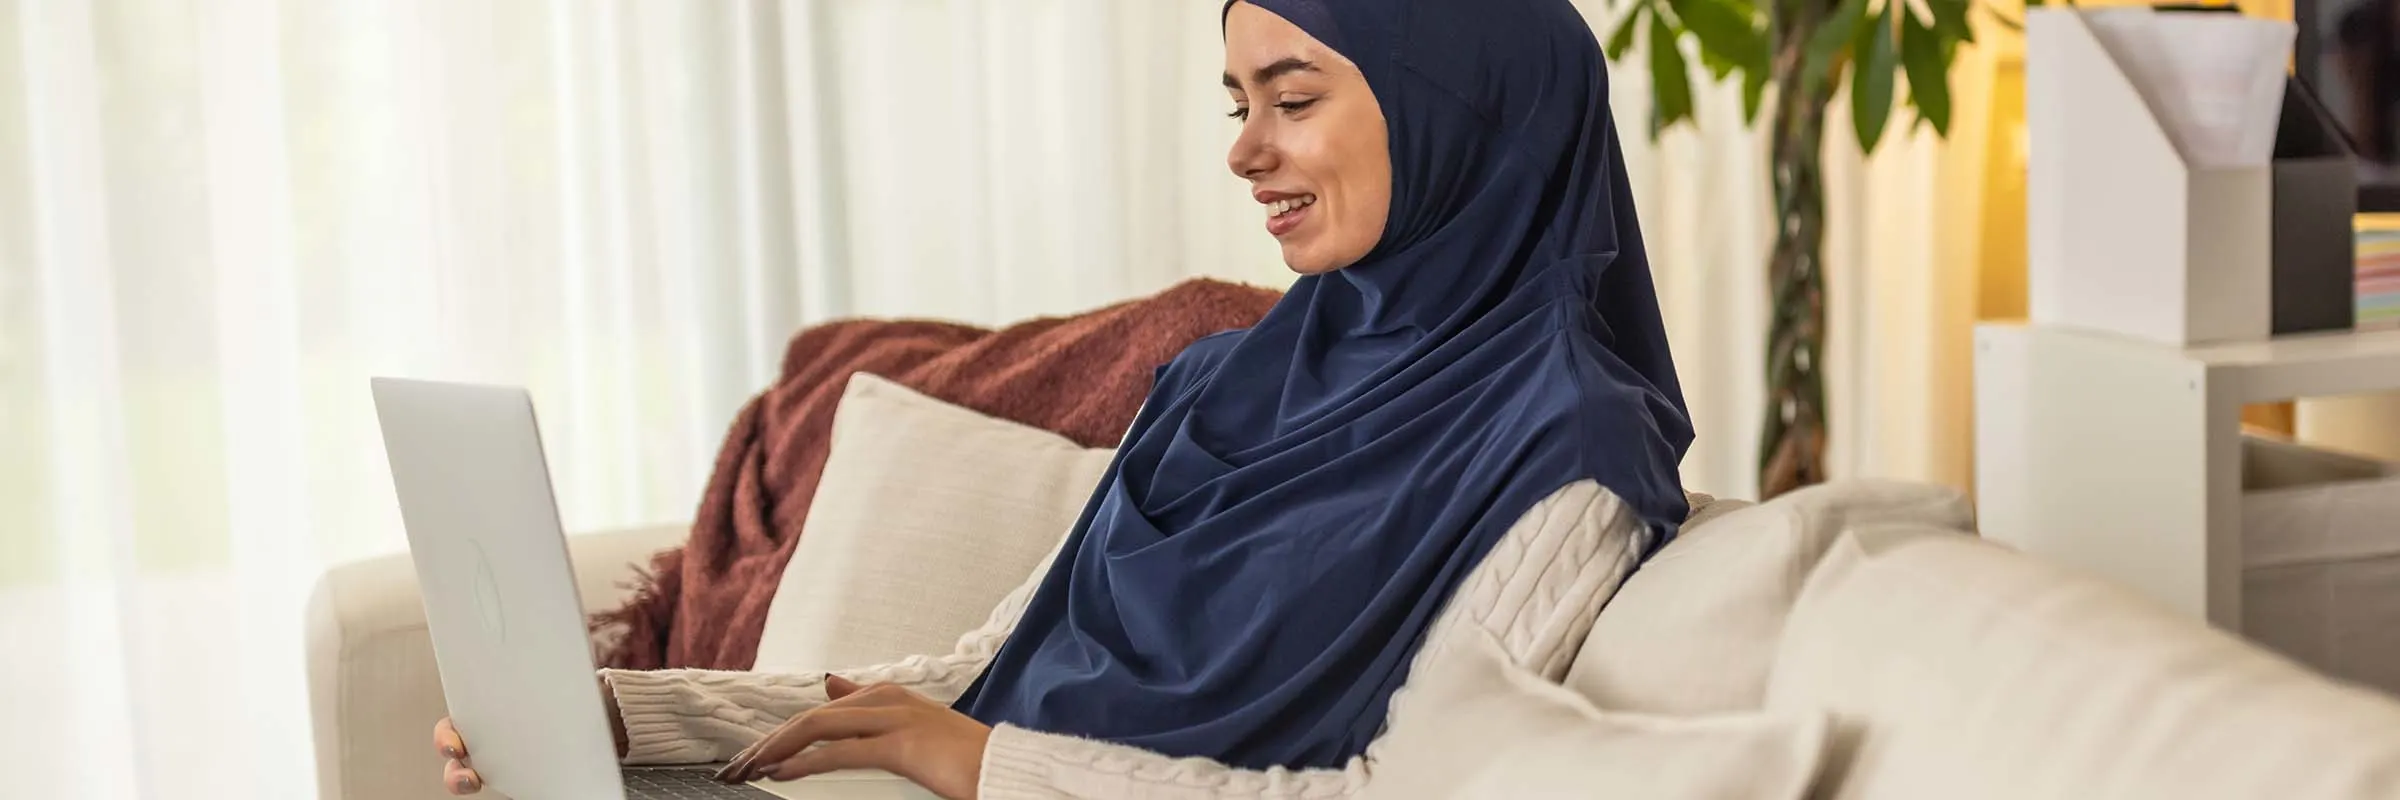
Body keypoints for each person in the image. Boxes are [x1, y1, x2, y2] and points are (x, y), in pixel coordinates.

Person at [434, 0, 1692, 796]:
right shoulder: (1225, 380)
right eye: (1240, 103)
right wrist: (632, 720)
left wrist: (988, 765)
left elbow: (1391, 789)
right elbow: (986, 665)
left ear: (1460, 118)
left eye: (1293, 99)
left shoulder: (1570, 446)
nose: (1245, 149)